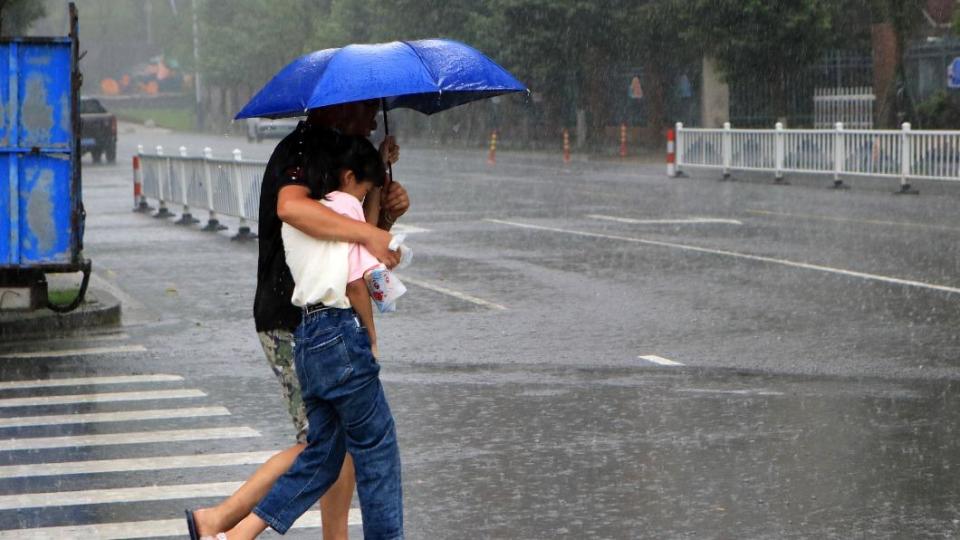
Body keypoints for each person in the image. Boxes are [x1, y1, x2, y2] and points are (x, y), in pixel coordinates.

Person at [187, 100, 408, 540]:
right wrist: (371, 231)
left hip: (311, 322)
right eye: (366, 108)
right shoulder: (302, 149)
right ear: (341, 105)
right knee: (338, 448)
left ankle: (227, 526)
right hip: (295, 317)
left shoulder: (340, 152)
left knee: (328, 448)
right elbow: (294, 210)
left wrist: (385, 207)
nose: (371, 119)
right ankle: (226, 520)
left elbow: (348, 243)